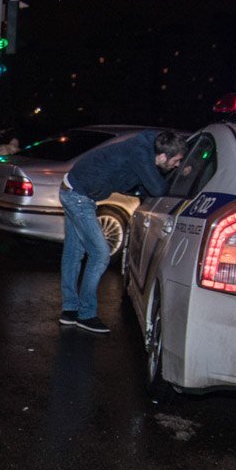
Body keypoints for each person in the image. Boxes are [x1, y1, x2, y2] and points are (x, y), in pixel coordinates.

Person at [59, 129, 188, 333]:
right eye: (177, 160)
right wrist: (182, 180)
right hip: (78, 197)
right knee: (100, 254)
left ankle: (69, 310)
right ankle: (86, 314)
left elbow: (138, 185)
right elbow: (158, 189)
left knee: (74, 252)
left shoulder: (147, 147)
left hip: (74, 190)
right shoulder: (141, 154)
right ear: (163, 156)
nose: (177, 165)